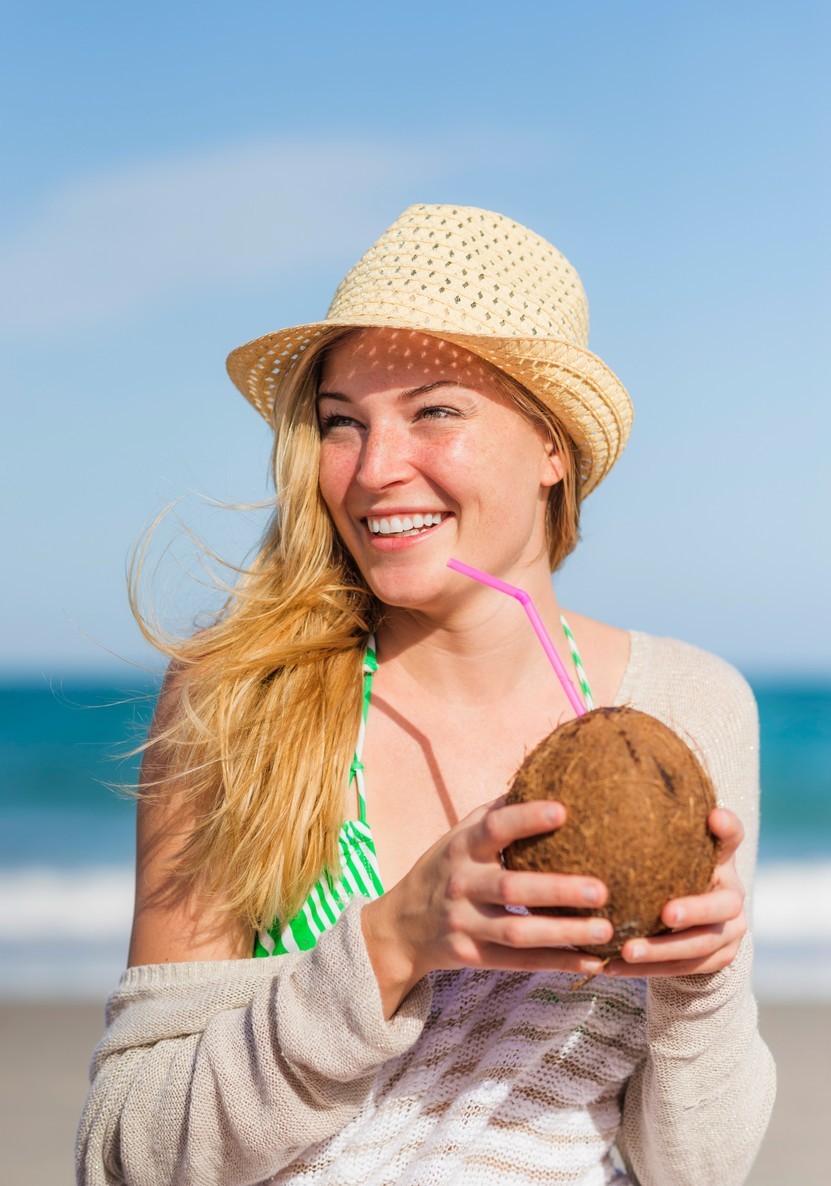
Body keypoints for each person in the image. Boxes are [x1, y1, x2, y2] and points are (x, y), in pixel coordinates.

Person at [76, 204, 775, 1186]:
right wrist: (390, 943)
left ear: (553, 446)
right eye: (341, 424)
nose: (373, 470)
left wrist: (696, 991)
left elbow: (695, 1167)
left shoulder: (689, 705)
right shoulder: (236, 700)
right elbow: (124, 1153)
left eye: (436, 409)